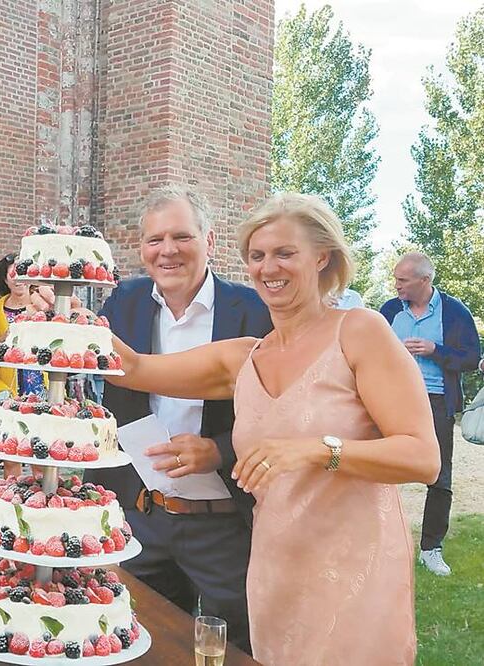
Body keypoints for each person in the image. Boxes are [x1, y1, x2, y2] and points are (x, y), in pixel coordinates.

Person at [95, 192, 439, 664]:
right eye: (257, 256)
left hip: (352, 564)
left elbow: (423, 457)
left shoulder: (360, 331)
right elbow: (131, 367)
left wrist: (318, 449)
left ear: (322, 257)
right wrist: (64, 312)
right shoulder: (244, 357)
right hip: (272, 560)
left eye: (284, 253)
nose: (267, 267)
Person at [88, 186, 271, 653]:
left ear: (209, 241)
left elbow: (281, 413)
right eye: (154, 240)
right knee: (135, 640)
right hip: (142, 517)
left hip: (224, 524)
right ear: (142, 249)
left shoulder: (253, 310)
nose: (167, 250)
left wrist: (218, 450)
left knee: (235, 646)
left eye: (181, 236)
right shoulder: (122, 304)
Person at [380, 252, 480, 576]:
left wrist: (435, 351)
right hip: (390, 400)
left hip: (436, 401)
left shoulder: (454, 312)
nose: (396, 285)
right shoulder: (389, 311)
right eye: (396, 279)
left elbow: (470, 358)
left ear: (425, 281)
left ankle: (431, 549)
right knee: (376, 470)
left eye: (403, 280)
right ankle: (379, 544)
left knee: (439, 475)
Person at [0, 253, 45, 399]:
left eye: (22, 273)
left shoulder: (43, 307)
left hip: (40, 383)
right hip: (6, 388)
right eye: (12, 274)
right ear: (4, 279)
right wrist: (6, 337)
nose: (18, 279)